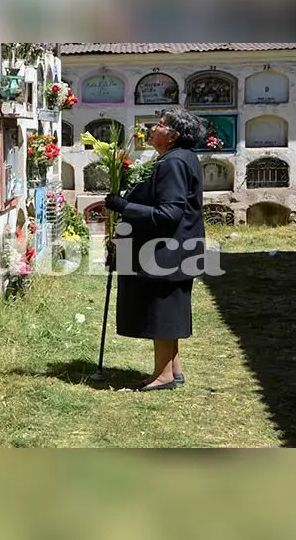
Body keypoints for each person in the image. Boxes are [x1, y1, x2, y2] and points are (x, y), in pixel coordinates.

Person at [104, 108, 206, 391]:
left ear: (172, 136)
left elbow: (168, 214)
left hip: (165, 252)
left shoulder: (172, 163)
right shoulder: (182, 158)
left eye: (159, 125)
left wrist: (122, 206)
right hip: (176, 250)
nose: (152, 128)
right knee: (169, 310)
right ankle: (172, 369)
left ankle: (162, 377)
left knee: (162, 311)